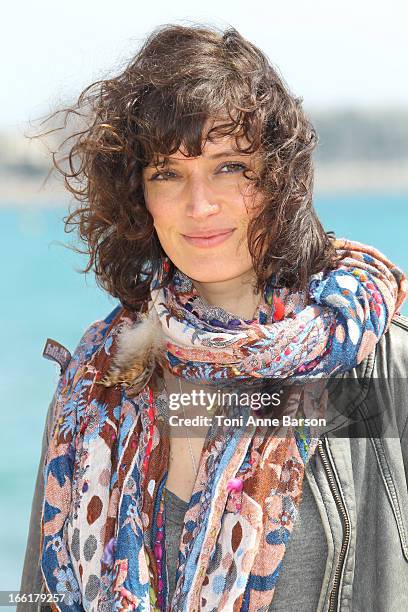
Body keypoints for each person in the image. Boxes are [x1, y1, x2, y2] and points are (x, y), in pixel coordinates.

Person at [19, 24, 408, 612]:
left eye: (229, 167)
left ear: (279, 177)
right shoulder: (94, 386)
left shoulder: (377, 365)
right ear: (137, 197)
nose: (199, 206)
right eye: (167, 174)